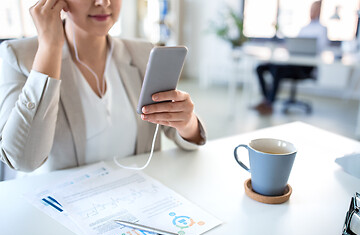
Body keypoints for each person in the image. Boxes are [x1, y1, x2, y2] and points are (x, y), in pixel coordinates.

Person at [0, 0, 206, 175]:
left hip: (134, 198)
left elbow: (186, 139)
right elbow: (23, 160)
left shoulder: (143, 53)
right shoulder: (18, 56)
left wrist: (187, 123)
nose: (103, 2)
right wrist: (50, 47)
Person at [254, 0, 328, 115]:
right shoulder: (304, 28)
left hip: (305, 67)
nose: (312, 12)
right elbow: (294, 45)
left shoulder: (322, 29)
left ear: (320, 11)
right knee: (261, 68)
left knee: (277, 70)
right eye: (311, 10)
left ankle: (269, 104)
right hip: (292, 62)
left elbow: (320, 49)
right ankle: (266, 100)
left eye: (315, 10)